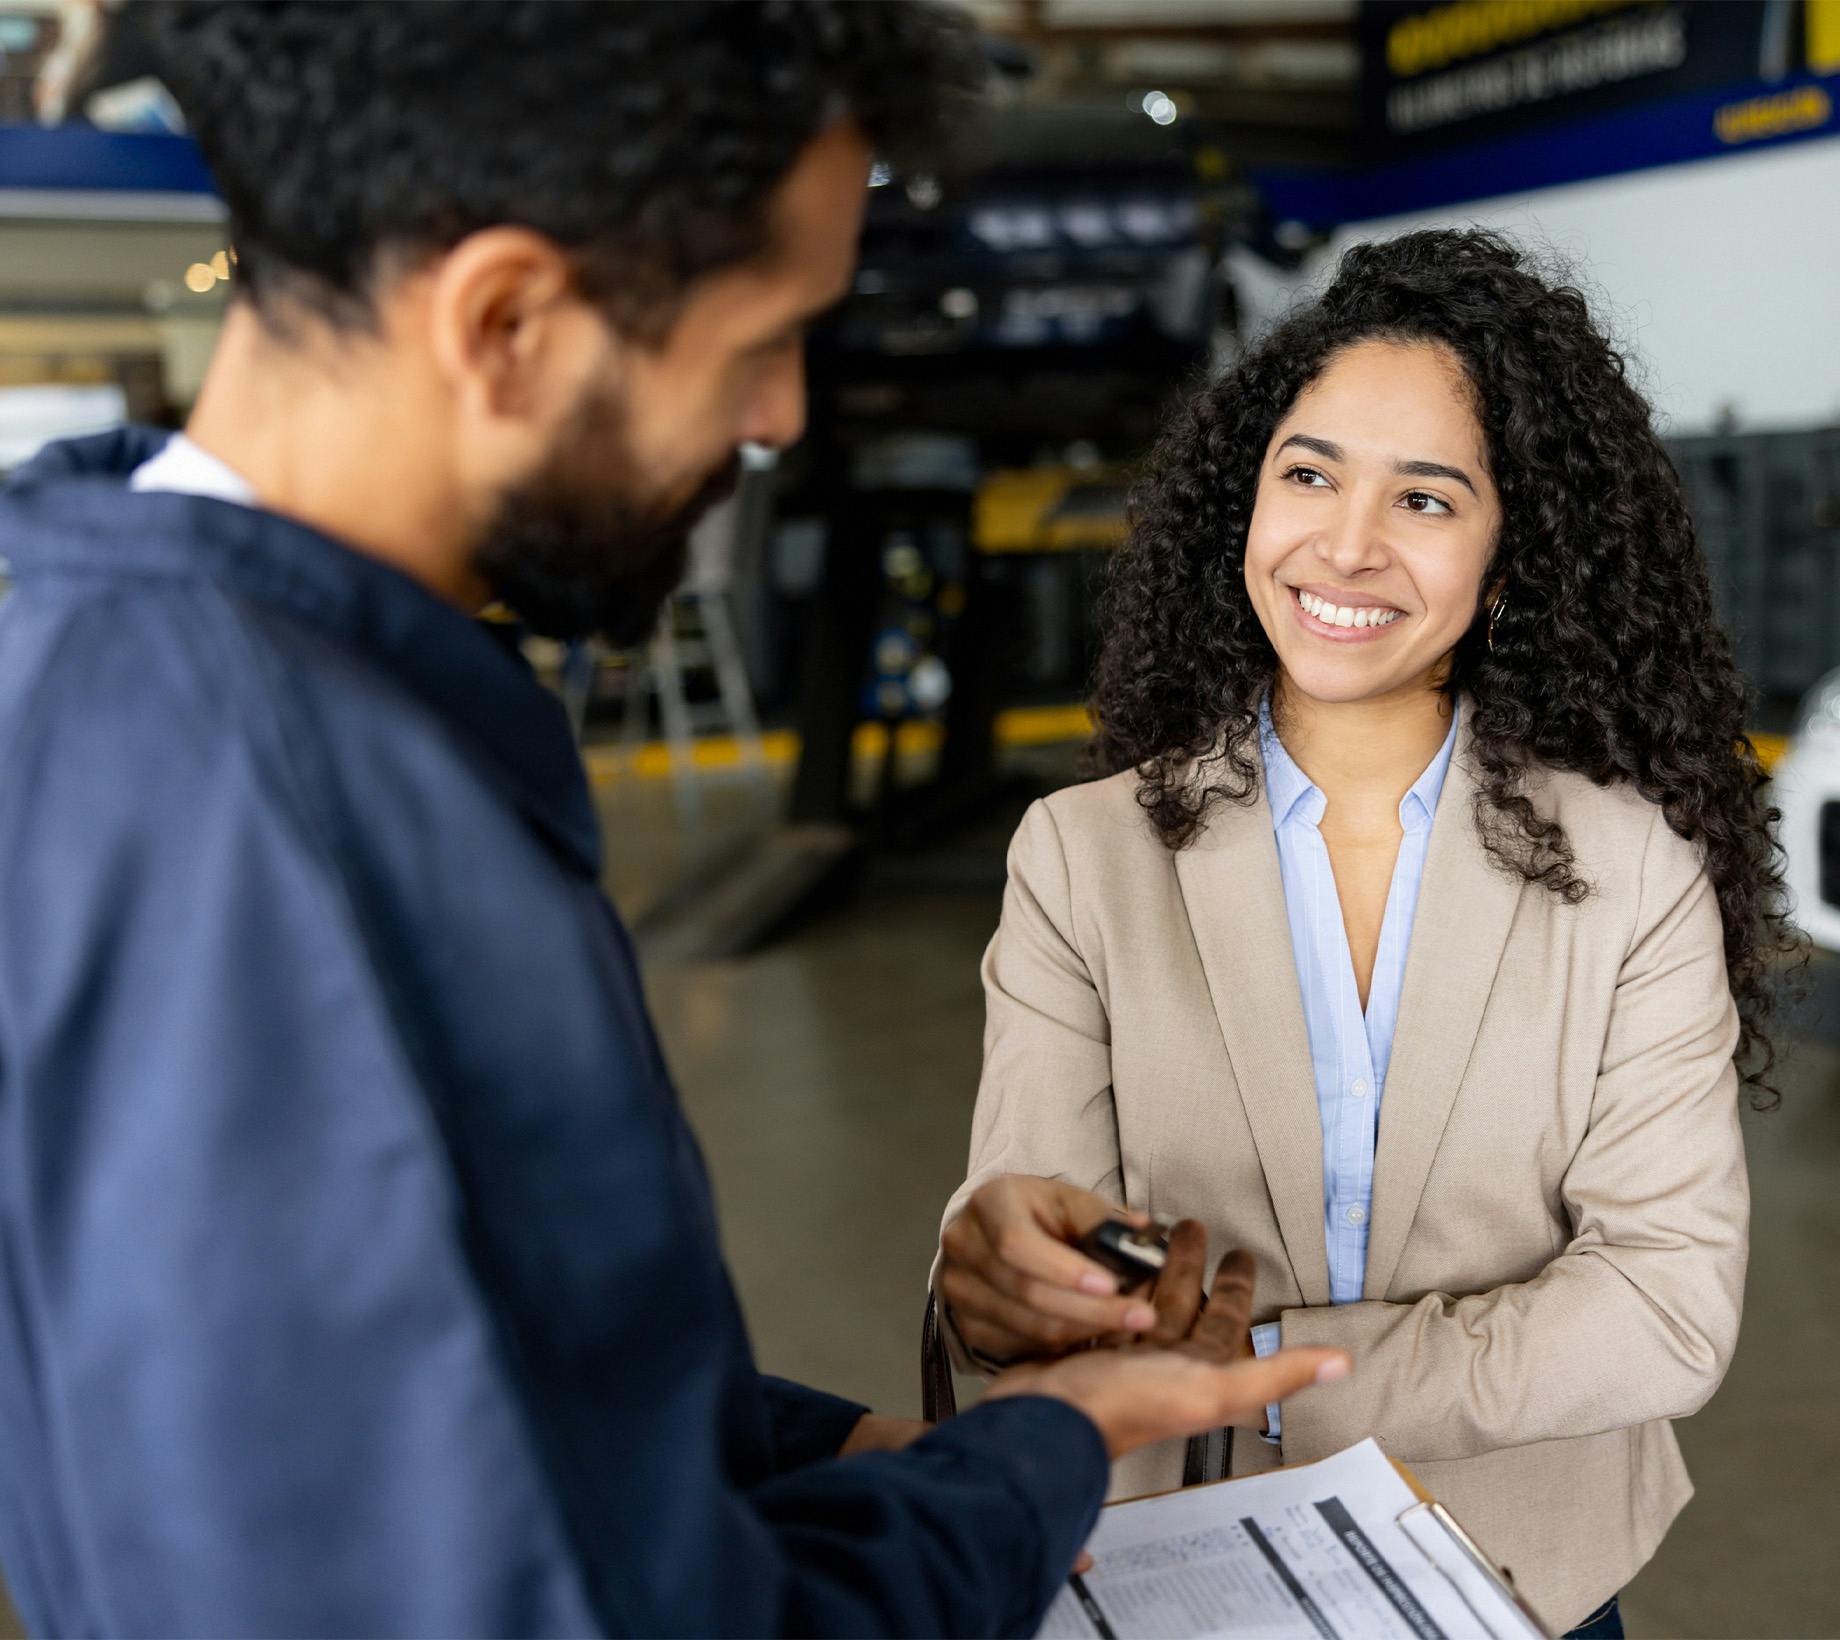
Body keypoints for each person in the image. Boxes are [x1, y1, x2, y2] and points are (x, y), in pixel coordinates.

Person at [0, 5, 1350, 1636]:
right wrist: (1029, 1465)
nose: (781, 412)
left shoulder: (258, 700)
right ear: (505, 320)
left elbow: (523, 1381)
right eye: (760, 334)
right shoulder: (249, 832)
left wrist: (860, 1452)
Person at [933, 228, 1796, 1640]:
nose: (1346, 543)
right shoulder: (1082, 861)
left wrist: (1267, 1362)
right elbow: (1036, 1266)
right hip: (1178, 1564)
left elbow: (1662, 1309)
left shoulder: (1632, 872)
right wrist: (991, 1273)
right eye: (1311, 472)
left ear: (1515, 552)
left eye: (1428, 498)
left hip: (1523, 1571)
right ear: (1247, 498)